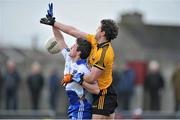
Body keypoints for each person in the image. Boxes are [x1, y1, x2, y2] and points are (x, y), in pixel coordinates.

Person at [40, 3, 118, 119]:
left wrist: (74, 77)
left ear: (103, 33)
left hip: (104, 93)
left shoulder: (104, 54)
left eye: (98, 28)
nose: (71, 46)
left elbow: (92, 80)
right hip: (78, 104)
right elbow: (71, 32)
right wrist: (53, 23)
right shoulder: (90, 43)